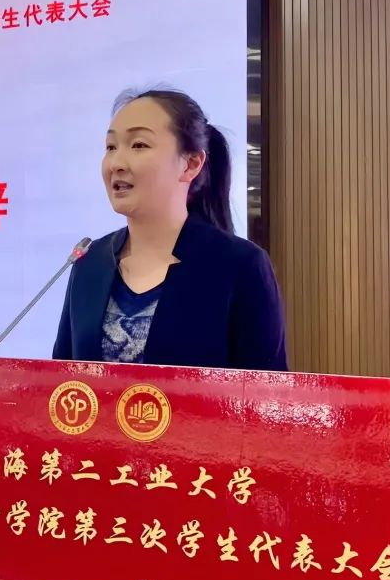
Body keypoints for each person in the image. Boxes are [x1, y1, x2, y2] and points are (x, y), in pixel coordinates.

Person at [52, 88, 287, 371]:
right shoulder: (90, 262)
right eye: (111, 147)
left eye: (138, 145)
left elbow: (268, 391)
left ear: (191, 164)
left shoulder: (241, 265)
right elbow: (62, 380)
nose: (116, 163)